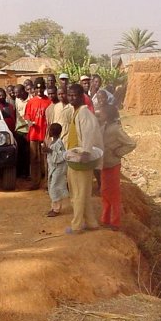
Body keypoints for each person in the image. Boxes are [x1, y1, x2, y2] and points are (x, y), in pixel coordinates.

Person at [64, 83, 103, 234]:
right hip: (74, 158)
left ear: (82, 97)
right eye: (70, 95)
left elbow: (88, 135)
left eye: (75, 95)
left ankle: (76, 225)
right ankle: (92, 222)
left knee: (78, 194)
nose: (72, 98)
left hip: (81, 160)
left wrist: (85, 154)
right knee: (83, 193)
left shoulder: (84, 113)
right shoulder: (76, 112)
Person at [98, 104, 136, 231]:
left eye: (102, 112)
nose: (100, 114)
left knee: (113, 194)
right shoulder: (103, 126)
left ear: (108, 114)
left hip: (113, 164)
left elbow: (131, 144)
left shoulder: (116, 129)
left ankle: (115, 222)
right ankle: (105, 218)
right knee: (105, 191)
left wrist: (118, 152)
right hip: (105, 163)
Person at [24, 77, 51, 190]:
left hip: (45, 134)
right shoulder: (31, 102)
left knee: (46, 160)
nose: (39, 91)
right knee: (34, 159)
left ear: (44, 89)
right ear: (34, 90)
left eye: (41, 89)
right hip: (34, 134)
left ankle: (47, 183)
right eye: (37, 89)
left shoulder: (49, 101)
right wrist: (30, 122)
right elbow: (27, 116)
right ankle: (35, 182)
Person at [43, 123, 68, 217]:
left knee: (55, 187)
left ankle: (56, 209)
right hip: (54, 168)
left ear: (53, 132)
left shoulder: (59, 143)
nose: (49, 132)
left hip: (59, 168)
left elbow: (62, 156)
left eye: (50, 130)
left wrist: (49, 151)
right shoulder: (53, 142)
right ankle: (54, 207)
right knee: (52, 187)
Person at [13, 84, 30, 179]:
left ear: (23, 91)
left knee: (28, 153)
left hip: (28, 130)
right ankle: (19, 173)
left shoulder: (31, 99)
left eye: (17, 92)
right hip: (19, 130)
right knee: (19, 153)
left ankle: (27, 173)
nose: (15, 94)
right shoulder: (17, 100)